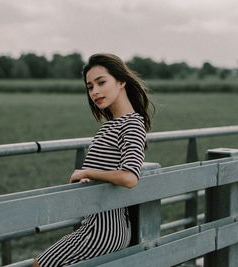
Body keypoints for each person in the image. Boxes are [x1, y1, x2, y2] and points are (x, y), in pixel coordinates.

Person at [33, 53, 154, 267]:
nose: (95, 92)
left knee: (40, 265)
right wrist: (89, 181)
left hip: (104, 231)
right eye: (90, 87)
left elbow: (129, 177)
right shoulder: (111, 125)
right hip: (94, 225)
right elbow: (111, 170)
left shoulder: (132, 124)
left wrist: (87, 172)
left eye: (101, 82)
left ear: (121, 81)